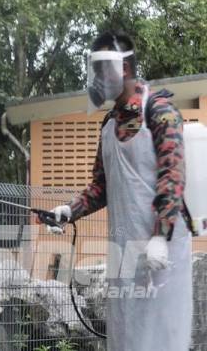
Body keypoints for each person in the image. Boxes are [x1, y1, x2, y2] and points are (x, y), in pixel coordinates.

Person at [46, 30, 193, 351]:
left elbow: (172, 175)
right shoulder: (109, 125)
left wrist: (160, 235)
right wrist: (70, 210)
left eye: (100, 70)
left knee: (161, 340)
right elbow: (101, 186)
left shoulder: (160, 112)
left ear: (122, 70)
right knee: (126, 338)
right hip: (125, 254)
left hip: (162, 254)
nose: (96, 79)